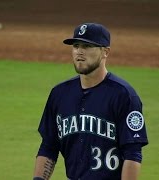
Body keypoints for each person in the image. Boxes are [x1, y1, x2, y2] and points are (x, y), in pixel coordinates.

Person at [33, 23, 148, 180]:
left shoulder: (123, 95)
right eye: (76, 45)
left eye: (87, 46)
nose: (79, 51)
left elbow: (132, 154)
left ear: (105, 52)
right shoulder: (59, 94)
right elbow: (49, 146)